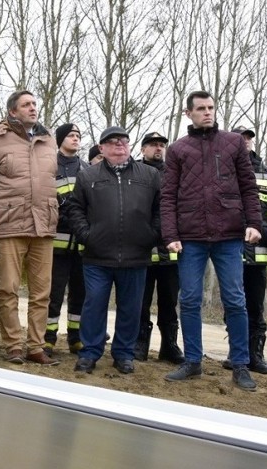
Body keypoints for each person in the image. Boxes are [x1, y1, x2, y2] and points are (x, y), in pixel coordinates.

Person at [161, 91, 262, 391]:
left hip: (229, 234)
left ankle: (241, 365)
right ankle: (192, 361)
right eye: (201, 109)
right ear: (188, 113)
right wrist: (170, 234)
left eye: (211, 108)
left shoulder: (233, 143)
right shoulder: (177, 150)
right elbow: (168, 196)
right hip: (190, 237)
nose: (207, 113)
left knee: (235, 299)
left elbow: (248, 185)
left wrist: (255, 223)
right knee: (190, 299)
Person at [0, 89, 59, 366]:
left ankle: (36, 347)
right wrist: (1, 213)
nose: (33, 108)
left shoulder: (49, 142)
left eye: (35, 103)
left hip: (44, 225)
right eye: (26, 104)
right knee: (8, 289)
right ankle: (13, 345)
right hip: (10, 225)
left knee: (41, 292)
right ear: (13, 111)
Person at [68, 126, 161, 374]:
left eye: (123, 141)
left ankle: (124, 354)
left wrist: (151, 235)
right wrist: (87, 236)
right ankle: (89, 353)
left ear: (130, 146)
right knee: (94, 304)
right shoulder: (88, 176)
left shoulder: (150, 175)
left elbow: (161, 209)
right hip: (97, 256)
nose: (119, 145)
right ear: (102, 148)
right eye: (112, 142)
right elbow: (75, 208)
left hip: (136, 255)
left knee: (131, 308)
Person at [216, 126, 267, 375]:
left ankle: (256, 355)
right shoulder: (222, 170)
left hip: (257, 252)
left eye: (248, 137)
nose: (245, 141)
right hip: (229, 250)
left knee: (256, 306)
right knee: (233, 305)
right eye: (240, 137)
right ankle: (236, 353)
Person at [135, 131, 184, 364]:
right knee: (140, 301)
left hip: (170, 252)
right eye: (153, 145)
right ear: (143, 149)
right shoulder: (134, 172)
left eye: (161, 145)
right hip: (142, 250)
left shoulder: (175, 174)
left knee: (169, 302)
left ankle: (169, 346)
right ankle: (140, 344)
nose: (158, 149)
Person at [42, 123, 88, 357]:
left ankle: (75, 337)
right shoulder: (50, 164)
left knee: (79, 294)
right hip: (56, 244)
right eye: (71, 135)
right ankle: (48, 338)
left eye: (78, 135)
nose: (75, 138)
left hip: (80, 245)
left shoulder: (87, 168)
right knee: (54, 294)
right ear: (60, 140)